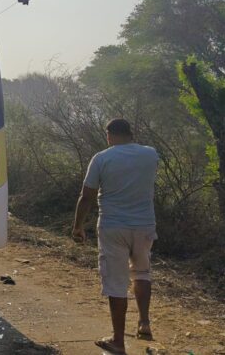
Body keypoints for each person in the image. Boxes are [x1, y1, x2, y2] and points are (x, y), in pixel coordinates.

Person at [72, 118, 159, 354]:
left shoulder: (101, 158)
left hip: (113, 227)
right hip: (144, 225)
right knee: (142, 272)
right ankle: (144, 323)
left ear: (109, 135)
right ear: (131, 133)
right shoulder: (151, 154)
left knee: (116, 283)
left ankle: (118, 341)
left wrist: (78, 226)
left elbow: (87, 196)